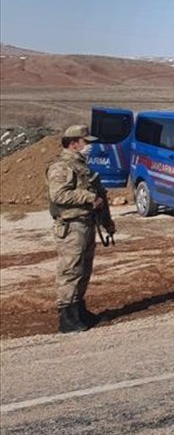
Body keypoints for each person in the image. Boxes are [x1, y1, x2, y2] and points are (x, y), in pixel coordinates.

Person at [46, 124, 116, 333]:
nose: (90, 147)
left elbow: (100, 197)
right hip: (71, 226)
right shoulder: (61, 167)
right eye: (87, 142)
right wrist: (87, 197)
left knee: (84, 269)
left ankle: (79, 310)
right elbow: (58, 195)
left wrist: (107, 222)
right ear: (74, 143)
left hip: (86, 224)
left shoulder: (83, 167)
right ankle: (67, 316)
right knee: (70, 270)